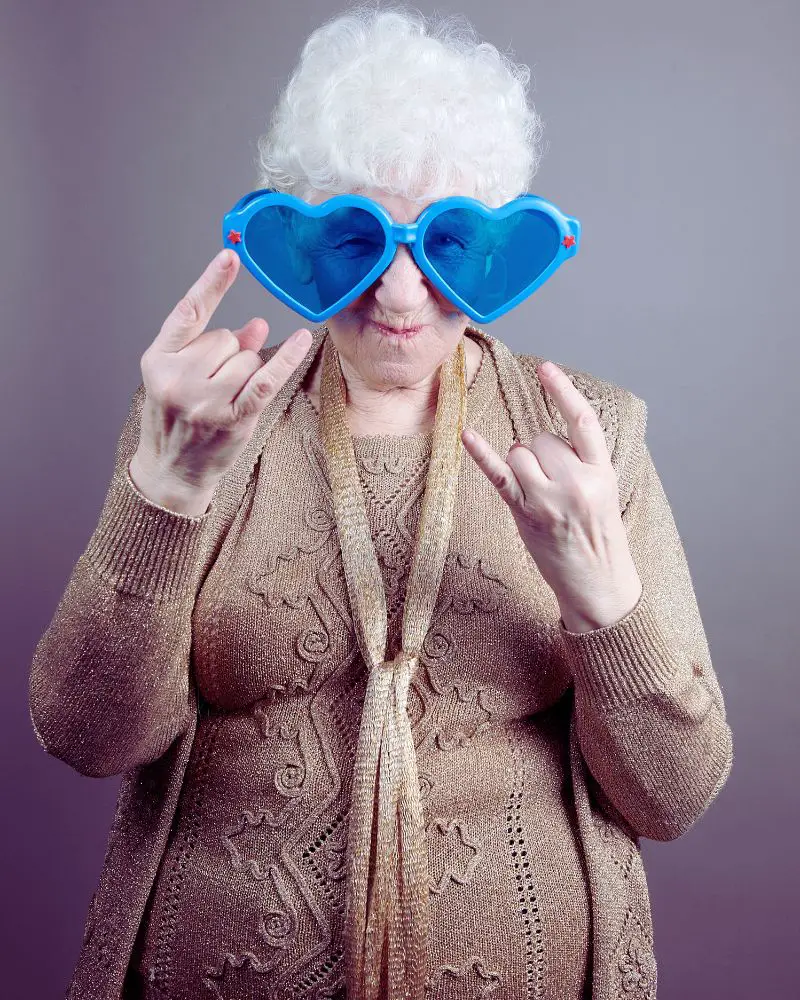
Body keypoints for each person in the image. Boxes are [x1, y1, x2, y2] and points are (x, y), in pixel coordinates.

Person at [28, 5, 734, 1000]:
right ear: (303, 238)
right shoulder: (200, 423)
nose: (400, 294)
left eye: (443, 241)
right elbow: (87, 737)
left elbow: (673, 794)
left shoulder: (592, 440)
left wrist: (602, 605)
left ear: (491, 243)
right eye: (358, 239)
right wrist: (165, 499)